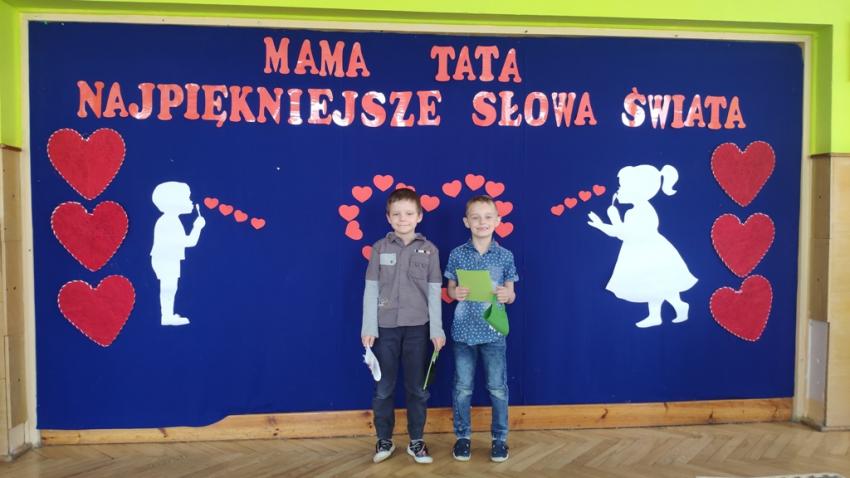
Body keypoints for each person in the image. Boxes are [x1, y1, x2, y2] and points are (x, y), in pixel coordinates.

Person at [361, 188, 445, 464]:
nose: (403, 218)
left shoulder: (430, 251)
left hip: (418, 330)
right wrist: (369, 327)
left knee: (417, 389)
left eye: (409, 213)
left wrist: (436, 330)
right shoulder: (379, 248)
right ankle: (384, 439)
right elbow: (371, 290)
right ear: (388, 217)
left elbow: (434, 292)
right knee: (383, 388)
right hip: (385, 329)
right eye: (396, 214)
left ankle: (416, 440)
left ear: (419, 216)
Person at [445, 195, 518, 463]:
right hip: (463, 331)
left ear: (498, 220)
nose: (482, 222)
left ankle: (499, 439)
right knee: (462, 387)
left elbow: (512, 294)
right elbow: (450, 289)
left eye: (488, 217)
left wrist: (506, 296)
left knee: (497, 387)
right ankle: (462, 437)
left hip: (493, 331)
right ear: (466, 222)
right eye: (475, 217)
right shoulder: (457, 254)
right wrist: (455, 292)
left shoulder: (505, 256)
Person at [587, 164, 697, 328]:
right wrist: (609, 221)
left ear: (636, 190)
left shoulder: (639, 212)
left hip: (648, 251)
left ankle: (678, 306)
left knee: (659, 282)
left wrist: (605, 223)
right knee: (653, 284)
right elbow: (624, 232)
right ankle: (660, 314)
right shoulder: (636, 211)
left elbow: (624, 234)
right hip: (643, 249)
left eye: (622, 187)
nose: (618, 191)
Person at [150, 181, 205, 326]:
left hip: (166, 258)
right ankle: (166, 316)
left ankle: (168, 315)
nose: (191, 201)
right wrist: (197, 227)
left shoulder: (169, 220)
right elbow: (189, 242)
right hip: (166, 259)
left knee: (170, 287)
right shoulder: (170, 221)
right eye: (187, 198)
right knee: (169, 287)